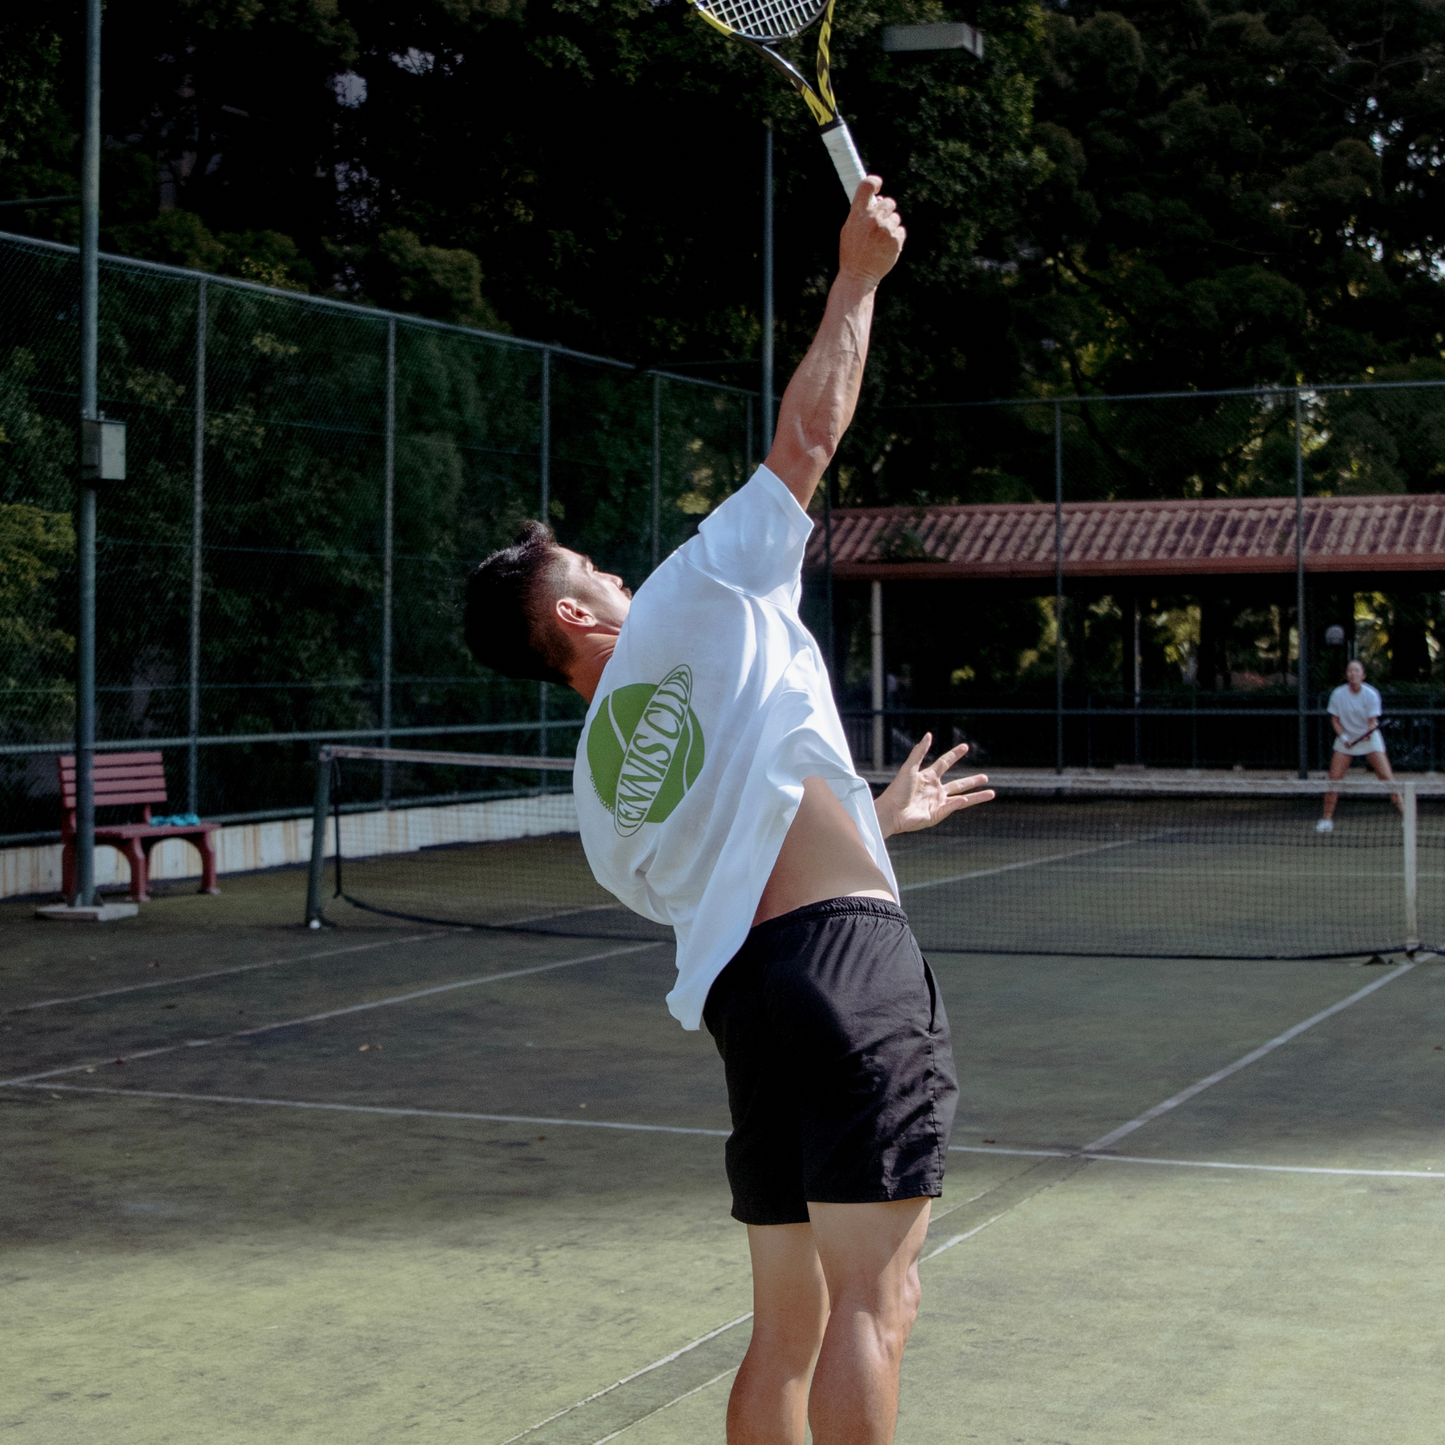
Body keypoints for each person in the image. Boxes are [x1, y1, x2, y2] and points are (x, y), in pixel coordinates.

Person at [463, 178, 993, 1444]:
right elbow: (805, 439)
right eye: (595, 569)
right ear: (578, 617)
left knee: (786, 1330)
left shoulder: (597, 794)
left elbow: (733, 864)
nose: (619, 570)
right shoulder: (696, 592)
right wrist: (857, 275)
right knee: (875, 1300)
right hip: (848, 965)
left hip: (749, 1005)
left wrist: (871, 819)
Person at [1317, 659, 1400, 831]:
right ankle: (1326, 819)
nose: (1353, 674)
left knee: (1386, 777)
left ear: (1363, 675)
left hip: (1370, 739)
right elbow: (1335, 720)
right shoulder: (1338, 694)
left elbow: (1372, 722)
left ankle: (1406, 815)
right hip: (1345, 739)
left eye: (1356, 671)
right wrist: (1344, 738)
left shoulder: (1371, 694)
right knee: (1334, 779)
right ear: (1346, 675)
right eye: (1350, 671)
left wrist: (1367, 734)